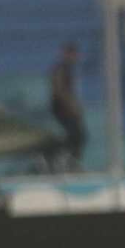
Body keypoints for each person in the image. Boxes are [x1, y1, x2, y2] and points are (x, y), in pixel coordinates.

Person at [50, 42, 85, 170]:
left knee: (78, 136)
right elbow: (60, 92)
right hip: (62, 110)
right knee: (75, 136)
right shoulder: (60, 70)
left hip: (67, 109)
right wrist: (73, 108)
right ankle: (63, 162)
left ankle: (71, 163)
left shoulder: (68, 70)